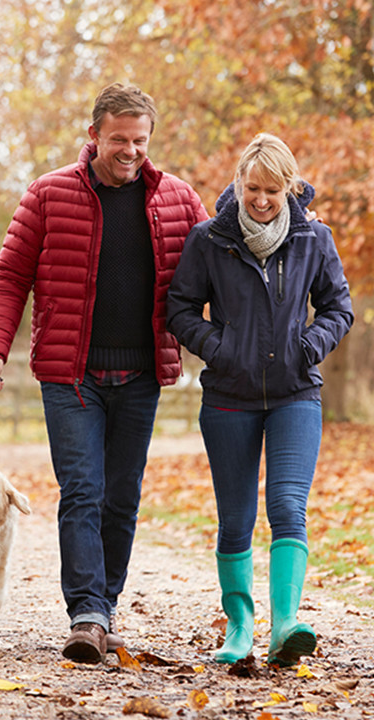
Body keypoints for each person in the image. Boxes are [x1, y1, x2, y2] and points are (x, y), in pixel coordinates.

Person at [0, 83, 208, 663]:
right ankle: (86, 612)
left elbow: (221, 262)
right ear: (94, 135)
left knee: (122, 497)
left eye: (140, 141)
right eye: (119, 140)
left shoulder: (178, 201)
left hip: (142, 377)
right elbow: (9, 277)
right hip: (69, 375)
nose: (130, 151)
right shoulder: (48, 194)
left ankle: (103, 608)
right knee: (82, 490)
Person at [167, 133, 354, 666]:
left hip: (296, 393)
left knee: (289, 508)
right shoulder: (210, 240)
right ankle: (240, 625)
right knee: (235, 517)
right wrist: (219, 349)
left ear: (290, 188)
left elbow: (338, 308)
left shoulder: (313, 239)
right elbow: (180, 309)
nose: (262, 200)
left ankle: (286, 622)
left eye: (273, 190)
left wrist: (307, 346)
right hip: (229, 396)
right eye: (253, 188)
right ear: (239, 184)